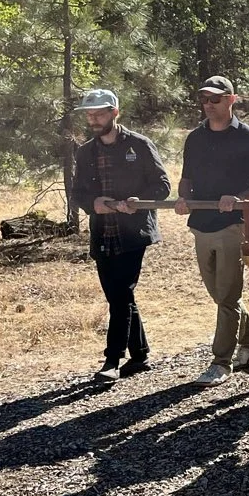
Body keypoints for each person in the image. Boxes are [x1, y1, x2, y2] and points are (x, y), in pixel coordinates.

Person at [175, 75, 249, 387]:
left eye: (215, 99)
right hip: (200, 225)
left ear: (232, 100)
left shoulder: (247, 137)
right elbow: (186, 177)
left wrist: (241, 198)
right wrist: (183, 197)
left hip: (232, 225)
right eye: (204, 99)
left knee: (228, 295)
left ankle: (221, 362)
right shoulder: (194, 138)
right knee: (218, 293)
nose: (208, 104)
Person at [70, 89, 171, 384]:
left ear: (115, 112)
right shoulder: (86, 151)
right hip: (103, 231)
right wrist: (93, 204)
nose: (94, 119)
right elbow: (78, 192)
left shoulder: (139, 145)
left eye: (100, 113)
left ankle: (112, 360)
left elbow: (162, 185)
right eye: (89, 115)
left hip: (133, 232)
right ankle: (139, 354)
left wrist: (137, 201)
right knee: (118, 294)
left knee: (121, 292)